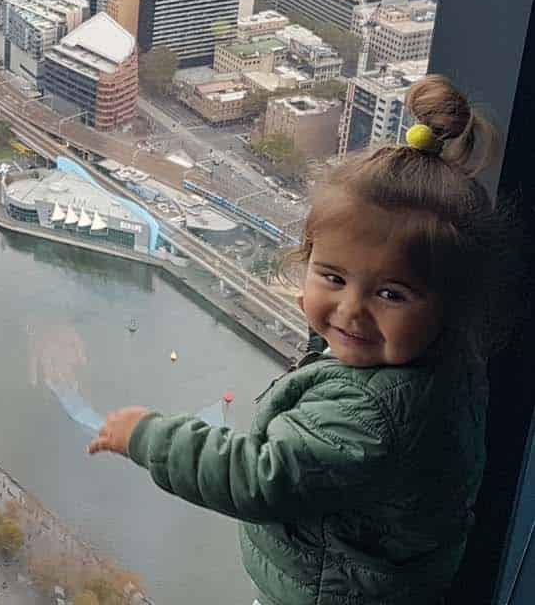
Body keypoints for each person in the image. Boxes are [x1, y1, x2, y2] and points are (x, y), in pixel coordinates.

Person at [88, 75, 518, 604]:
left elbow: (260, 476)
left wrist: (146, 437)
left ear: (452, 304)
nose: (351, 311)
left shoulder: (368, 413)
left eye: (391, 293)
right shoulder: (446, 358)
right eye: (333, 279)